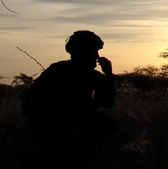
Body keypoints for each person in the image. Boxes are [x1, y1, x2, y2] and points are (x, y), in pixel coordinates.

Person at [21, 30, 117, 167]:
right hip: (53, 128)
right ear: (82, 53)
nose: (97, 57)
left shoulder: (90, 75)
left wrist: (108, 76)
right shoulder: (58, 71)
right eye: (93, 52)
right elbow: (33, 104)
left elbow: (108, 103)